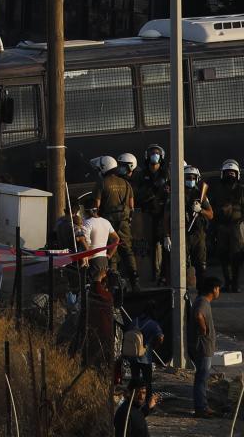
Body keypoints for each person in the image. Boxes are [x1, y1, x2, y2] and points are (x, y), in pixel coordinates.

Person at [92, 155, 140, 291]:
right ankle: (135, 281)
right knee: (127, 251)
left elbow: (96, 206)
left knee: (110, 252)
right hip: (124, 223)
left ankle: (113, 284)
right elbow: (131, 206)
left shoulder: (101, 183)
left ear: (103, 168)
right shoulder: (126, 183)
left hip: (108, 224)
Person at [208, 159, 244, 292]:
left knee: (236, 257)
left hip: (236, 227)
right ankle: (227, 282)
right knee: (223, 256)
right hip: (221, 227)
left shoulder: (241, 190)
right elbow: (211, 209)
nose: (230, 175)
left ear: (237, 174)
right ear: (223, 174)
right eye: (228, 173)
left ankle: (235, 284)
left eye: (233, 173)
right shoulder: (217, 190)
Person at [189, 276, 222, 418]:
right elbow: (198, 315)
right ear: (214, 289)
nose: (219, 291)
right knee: (202, 379)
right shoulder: (203, 301)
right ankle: (201, 408)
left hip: (202, 347)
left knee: (202, 378)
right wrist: (203, 329)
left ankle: (202, 406)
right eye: (218, 288)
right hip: (202, 348)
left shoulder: (202, 301)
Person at [137, 144, 170, 285]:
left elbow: (171, 190)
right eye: (152, 153)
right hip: (147, 215)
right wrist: (149, 193)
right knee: (147, 247)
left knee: (165, 246)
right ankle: (149, 275)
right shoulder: (142, 174)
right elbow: (137, 194)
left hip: (162, 215)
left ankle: (164, 276)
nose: (154, 156)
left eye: (157, 153)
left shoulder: (166, 173)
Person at [124, 310, 164, 397]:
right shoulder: (153, 324)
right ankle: (147, 402)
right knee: (147, 382)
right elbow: (160, 337)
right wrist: (155, 346)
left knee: (134, 379)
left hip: (133, 356)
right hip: (145, 358)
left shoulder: (135, 321)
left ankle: (130, 399)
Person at [81, 195, 120, 280]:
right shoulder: (106, 222)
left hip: (93, 260)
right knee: (103, 286)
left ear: (86, 211)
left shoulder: (87, 223)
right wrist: (110, 254)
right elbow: (117, 239)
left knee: (94, 287)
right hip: (104, 260)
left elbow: (84, 242)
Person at [184, 164, 213, 280]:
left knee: (201, 266)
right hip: (183, 233)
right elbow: (167, 215)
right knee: (182, 265)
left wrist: (201, 210)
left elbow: (211, 214)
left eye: (193, 178)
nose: (191, 180)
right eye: (188, 177)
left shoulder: (201, 195)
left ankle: (202, 290)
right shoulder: (177, 194)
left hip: (198, 234)